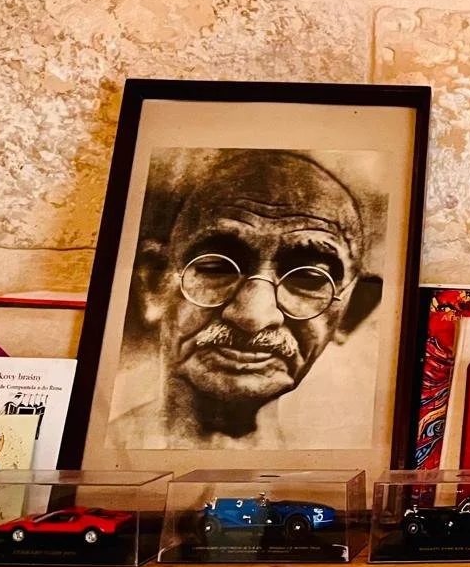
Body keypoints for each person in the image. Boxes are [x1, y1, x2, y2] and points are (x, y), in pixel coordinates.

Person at [108, 150, 383, 450]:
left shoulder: (322, 471)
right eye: (217, 268)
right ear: (155, 285)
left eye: (308, 279)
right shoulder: (105, 450)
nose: (253, 316)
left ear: (352, 312)